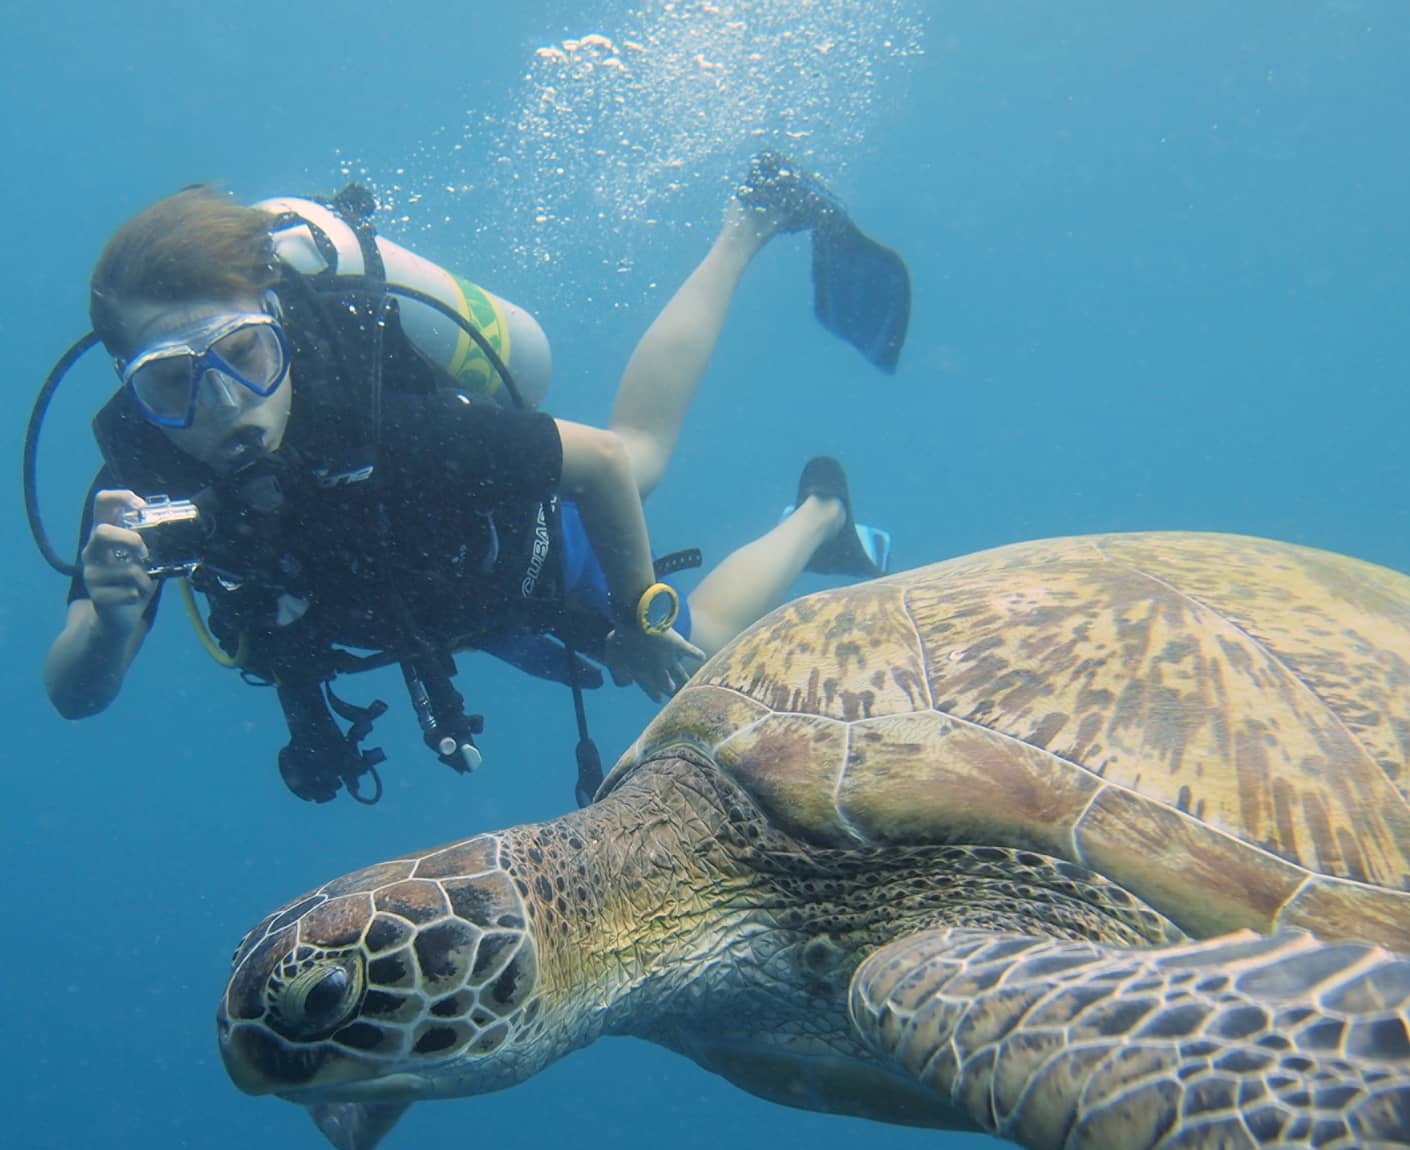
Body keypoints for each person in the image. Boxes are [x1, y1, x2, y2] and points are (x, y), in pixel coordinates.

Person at [42, 155, 905, 802]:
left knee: (649, 494)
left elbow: (599, 463)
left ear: (279, 327)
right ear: (127, 384)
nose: (226, 404)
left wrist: (642, 619)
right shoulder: (135, 488)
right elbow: (76, 695)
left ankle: (816, 488)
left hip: (493, 545)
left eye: (245, 354)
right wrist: (111, 627)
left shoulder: (385, 424)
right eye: (168, 382)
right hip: (432, 599)